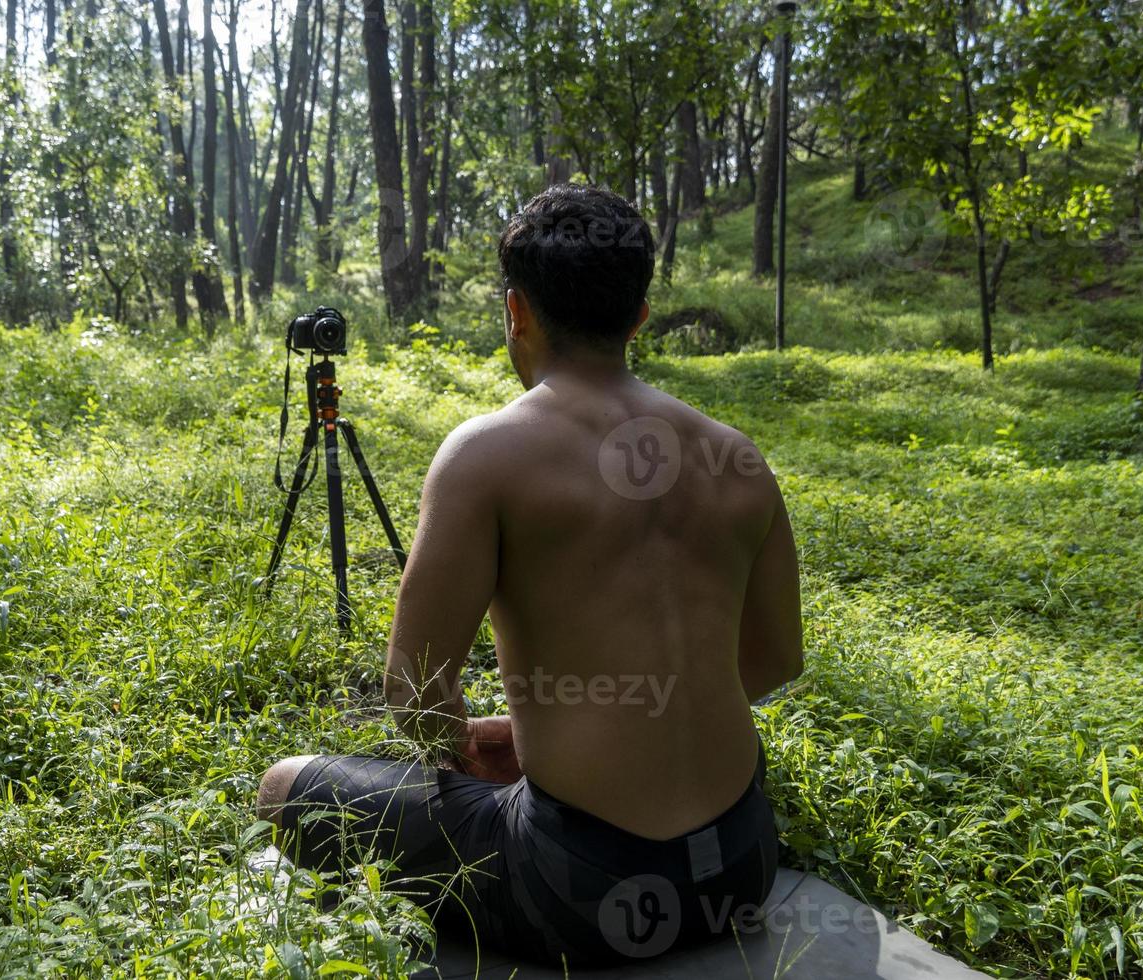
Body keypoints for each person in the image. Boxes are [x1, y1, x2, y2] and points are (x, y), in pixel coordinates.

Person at [256, 183, 804, 965]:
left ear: (516, 312)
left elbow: (414, 697)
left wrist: (478, 749)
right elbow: (779, 659)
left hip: (580, 889)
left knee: (283, 787)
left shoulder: (486, 455)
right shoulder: (738, 455)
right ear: (639, 318)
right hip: (744, 863)